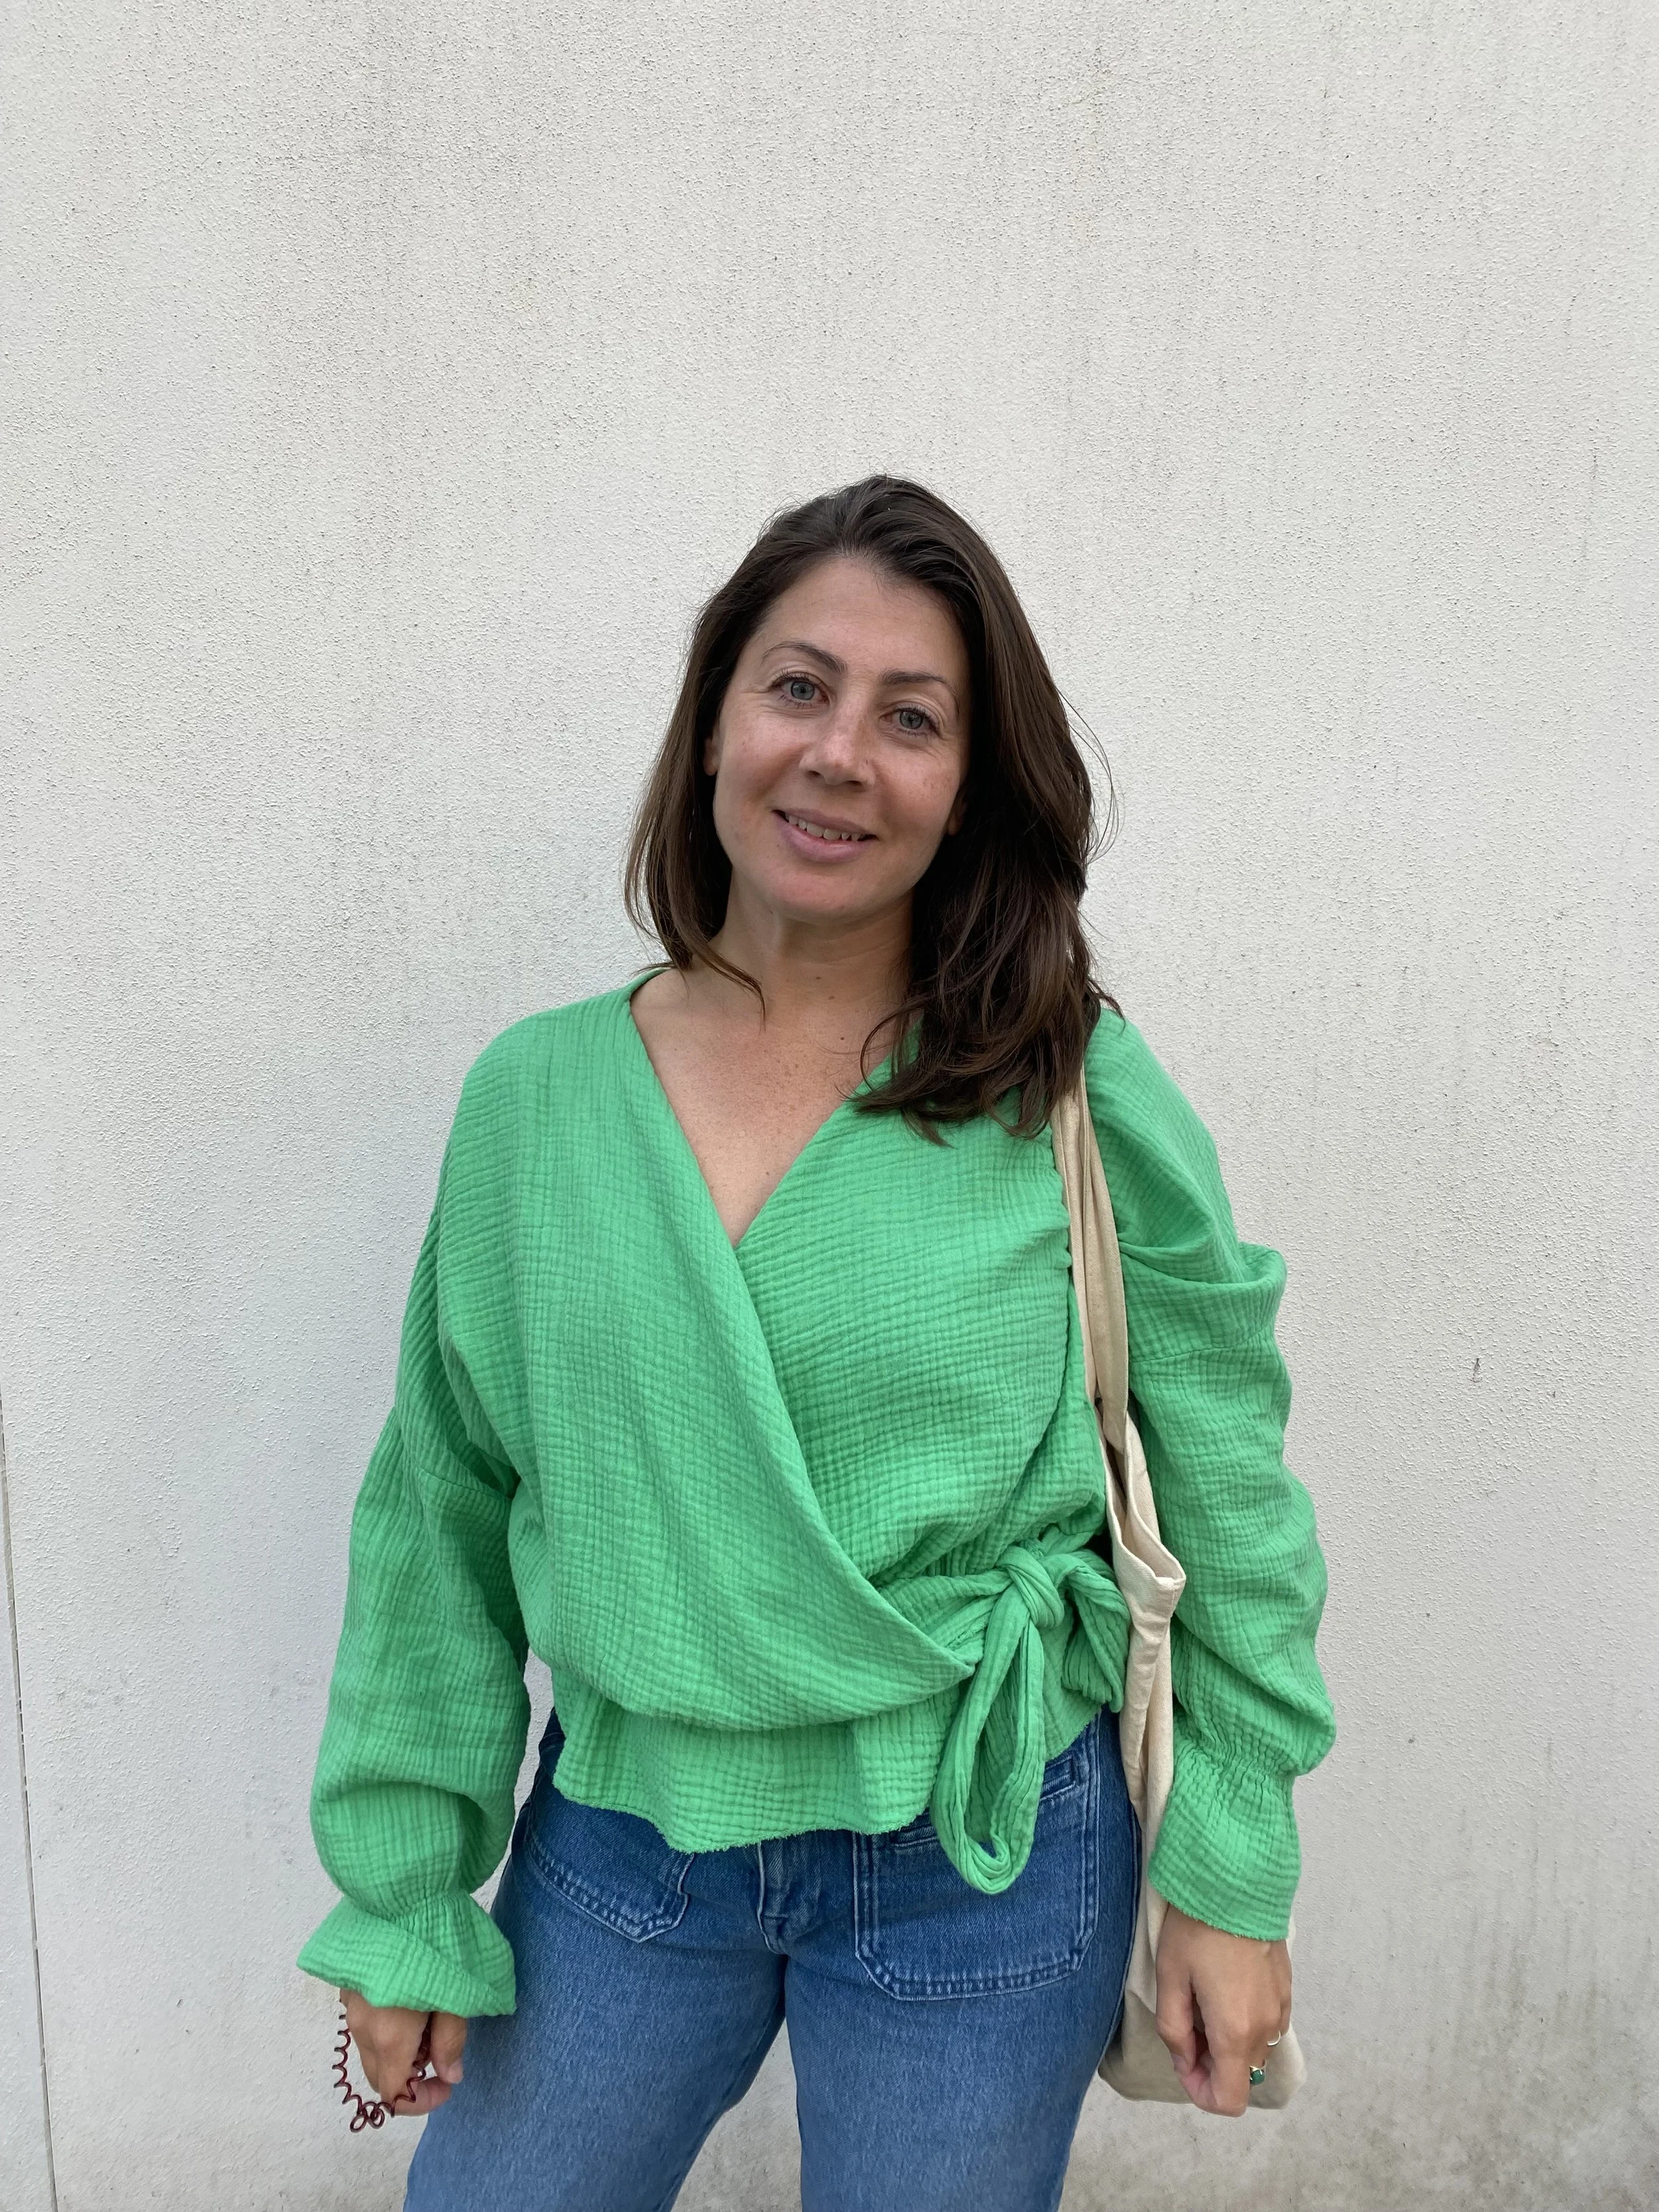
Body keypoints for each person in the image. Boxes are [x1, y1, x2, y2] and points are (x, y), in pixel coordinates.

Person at [296, 475, 1336, 2212]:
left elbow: (1225, 1467)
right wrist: (403, 1884)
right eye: (798, 686)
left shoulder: (1066, 1082)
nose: (839, 752)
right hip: (626, 1841)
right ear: (714, 720)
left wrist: (1234, 1860)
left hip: (981, 1848)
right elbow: (441, 1511)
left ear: (968, 782)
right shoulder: (537, 1101)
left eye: (909, 716)